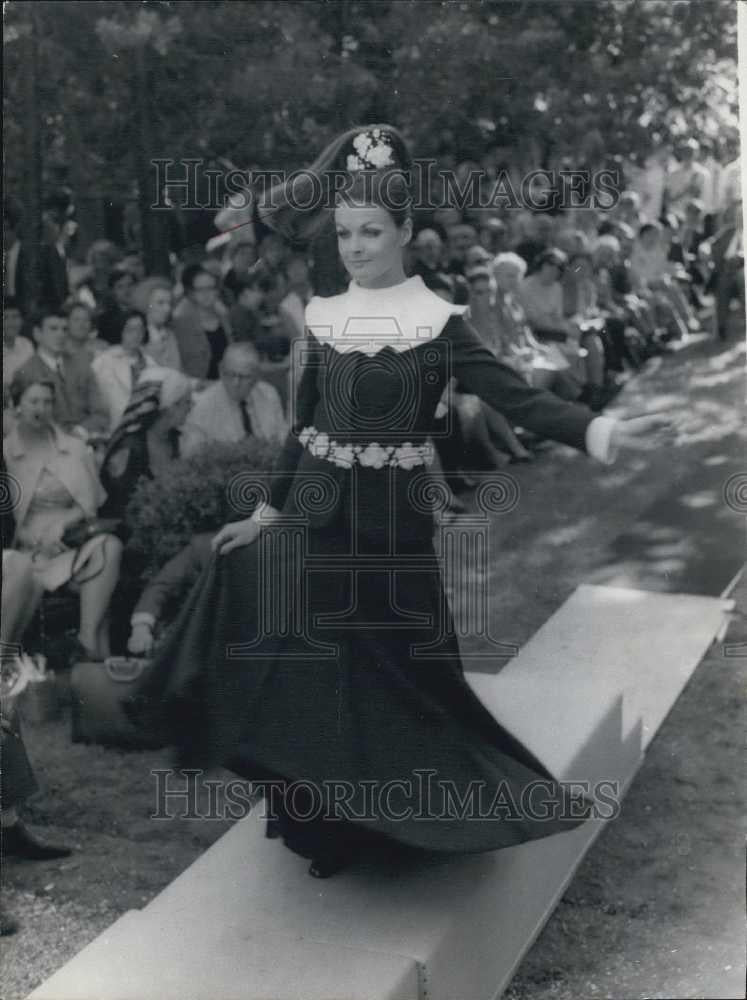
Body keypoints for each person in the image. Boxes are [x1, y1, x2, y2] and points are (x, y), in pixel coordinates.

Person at [131, 126, 669, 878]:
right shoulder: (325, 316)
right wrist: (263, 515)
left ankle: (409, 822)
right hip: (320, 510)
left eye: (371, 233)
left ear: (404, 233)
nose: (354, 247)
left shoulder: (438, 323)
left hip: (390, 521)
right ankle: (328, 827)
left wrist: (602, 429)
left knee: (394, 679)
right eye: (344, 232)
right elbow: (306, 430)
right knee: (311, 659)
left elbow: (515, 396)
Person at [3, 373, 123, 661]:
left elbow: (91, 501)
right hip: (27, 547)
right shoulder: (6, 452)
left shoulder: (73, 447)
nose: (40, 409)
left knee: (110, 547)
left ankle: (87, 643)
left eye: (47, 402)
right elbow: (6, 517)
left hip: (71, 541)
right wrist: (33, 537)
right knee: (22, 569)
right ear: (17, 404)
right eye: (33, 401)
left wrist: (64, 524)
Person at [98, 367, 194, 517]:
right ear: (170, 407)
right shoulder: (129, 447)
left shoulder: (175, 438)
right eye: (186, 402)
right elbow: (120, 505)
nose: (190, 408)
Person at [180, 342, 287, 458]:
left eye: (244, 377)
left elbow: (282, 439)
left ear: (256, 377)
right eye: (230, 374)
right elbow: (191, 457)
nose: (235, 383)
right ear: (220, 371)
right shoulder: (201, 407)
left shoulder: (269, 394)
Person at [15, 309, 109, 440]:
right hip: (48, 447)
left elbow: (101, 413)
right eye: (53, 329)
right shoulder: (26, 372)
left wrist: (81, 431)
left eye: (64, 329)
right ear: (37, 334)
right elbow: (30, 422)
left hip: (88, 439)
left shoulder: (81, 365)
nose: (60, 335)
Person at [91, 310, 159, 433]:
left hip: (145, 426)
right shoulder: (104, 361)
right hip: (113, 427)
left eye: (140, 330)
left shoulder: (151, 363)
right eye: (130, 330)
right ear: (121, 331)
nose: (136, 335)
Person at [172, 264, 231, 380]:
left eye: (210, 288)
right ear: (191, 293)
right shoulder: (181, 322)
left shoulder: (223, 316)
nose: (206, 294)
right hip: (199, 386)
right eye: (200, 289)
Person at [131, 277, 183, 371]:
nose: (167, 309)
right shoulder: (137, 335)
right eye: (160, 303)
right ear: (147, 304)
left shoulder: (170, 334)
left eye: (170, 303)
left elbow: (177, 369)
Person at [2, 299, 34, 396]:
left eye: (15, 317)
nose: (11, 323)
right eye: (5, 318)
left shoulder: (26, 345)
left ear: (22, 320)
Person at [97, 269, 136, 346]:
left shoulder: (142, 314)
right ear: (112, 291)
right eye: (120, 287)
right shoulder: (105, 320)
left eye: (130, 285)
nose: (127, 290)